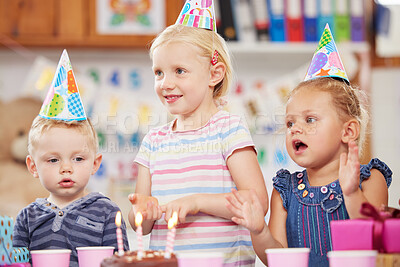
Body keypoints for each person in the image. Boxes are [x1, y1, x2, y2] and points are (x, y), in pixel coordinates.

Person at [225, 24, 392, 267]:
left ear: (348, 131)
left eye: (310, 119)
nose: (295, 128)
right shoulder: (285, 190)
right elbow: (276, 258)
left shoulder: (369, 179)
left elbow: (375, 240)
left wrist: (352, 193)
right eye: (290, 122)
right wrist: (259, 231)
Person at [127, 1, 268, 266]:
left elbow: (257, 202)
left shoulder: (228, 130)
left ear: (214, 74)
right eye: (159, 73)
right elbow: (142, 226)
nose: (166, 83)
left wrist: (197, 202)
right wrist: (141, 212)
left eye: (179, 71)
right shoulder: (153, 143)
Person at [12, 50, 129, 267]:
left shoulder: (108, 213)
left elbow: (122, 262)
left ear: (95, 163)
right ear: (33, 166)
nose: (66, 168)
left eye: (78, 159)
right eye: (53, 160)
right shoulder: (26, 218)